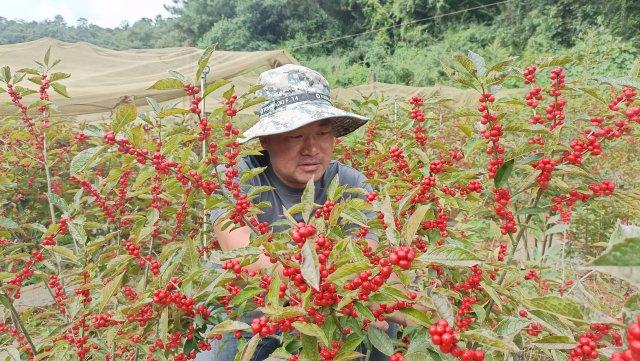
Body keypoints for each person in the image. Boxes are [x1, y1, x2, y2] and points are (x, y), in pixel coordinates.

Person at [197, 64, 404, 361]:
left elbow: (364, 259)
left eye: (322, 133)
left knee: (380, 322)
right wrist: (334, 280)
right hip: (257, 315)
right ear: (265, 140)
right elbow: (244, 256)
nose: (312, 149)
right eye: (295, 136)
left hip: (326, 311)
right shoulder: (234, 178)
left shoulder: (350, 183)